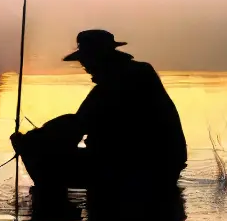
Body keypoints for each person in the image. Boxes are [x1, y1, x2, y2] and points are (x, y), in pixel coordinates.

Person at [10, 29, 187, 191]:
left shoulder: (114, 85)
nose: (85, 66)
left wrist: (31, 142)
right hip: (164, 164)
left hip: (138, 167)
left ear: (101, 57)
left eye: (87, 60)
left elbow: (76, 125)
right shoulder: (140, 73)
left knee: (45, 158)